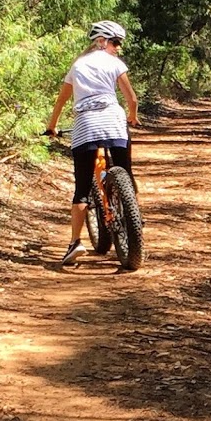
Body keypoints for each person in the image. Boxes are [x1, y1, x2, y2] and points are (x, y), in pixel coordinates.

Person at [46, 20, 141, 266]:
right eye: (116, 42)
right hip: (114, 120)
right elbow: (131, 98)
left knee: (81, 188)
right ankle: (133, 217)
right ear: (102, 41)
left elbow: (61, 101)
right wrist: (132, 117)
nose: (118, 47)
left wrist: (52, 126)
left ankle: (75, 243)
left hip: (86, 125)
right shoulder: (115, 64)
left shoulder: (77, 66)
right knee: (126, 174)